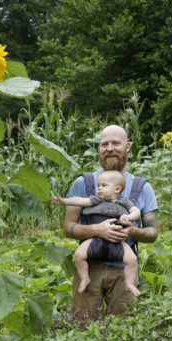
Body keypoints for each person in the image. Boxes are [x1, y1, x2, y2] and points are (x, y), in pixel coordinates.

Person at [63, 125, 158, 319]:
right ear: (99, 149)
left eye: (116, 143)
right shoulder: (84, 183)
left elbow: (152, 233)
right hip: (89, 267)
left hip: (124, 270)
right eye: (104, 144)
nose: (109, 148)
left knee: (124, 331)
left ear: (127, 147)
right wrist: (97, 230)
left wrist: (132, 231)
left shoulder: (142, 187)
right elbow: (68, 228)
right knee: (83, 328)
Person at [52, 170, 141, 296]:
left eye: (104, 186)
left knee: (131, 260)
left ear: (117, 189)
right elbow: (79, 201)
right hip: (95, 240)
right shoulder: (95, 200)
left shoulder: (124, 202)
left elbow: (136, 211)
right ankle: (84, 278)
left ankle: (129, 283)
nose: (99, 188)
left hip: (117, 242)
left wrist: (129, 217)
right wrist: (64, 201)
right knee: (78, 255)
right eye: (98, 185)